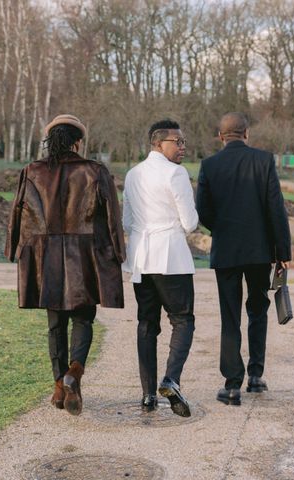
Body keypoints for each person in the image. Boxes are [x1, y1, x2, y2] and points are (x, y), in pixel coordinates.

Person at [5, 114, 125, 416]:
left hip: (44, 257)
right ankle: (75, 372)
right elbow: (112, 217)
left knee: (55, 324)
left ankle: (60, 385)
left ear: (50, 141)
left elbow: (18, 213)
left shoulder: (32, 171)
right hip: (83, 257)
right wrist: (117, 254)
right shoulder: (95, 171)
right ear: (78, 141)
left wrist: (13, 250)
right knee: (83, 319)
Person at [196, 112, 291, 406]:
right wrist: (282, 252)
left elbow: (203, 211)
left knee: (230, 316)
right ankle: (255, 377)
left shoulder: (209, 165)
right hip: (259, 251)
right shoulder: (264, 161)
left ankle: (232, 384)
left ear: (221, 136)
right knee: (258, 310)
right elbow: (276, 208)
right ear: (246, 134)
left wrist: (222, 230)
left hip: (226, 250)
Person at [122, 119, 198, 417]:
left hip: (141, 257)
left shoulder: (132, 174)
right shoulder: (176, 173)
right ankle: (171, 379)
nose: (182, 147)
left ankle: (147, 395)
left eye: (183, 142)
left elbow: (127, 221)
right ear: (158, 143)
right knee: (182, 320)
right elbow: (191, 223)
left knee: (146, 324)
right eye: (176, 142)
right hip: (171, 257)